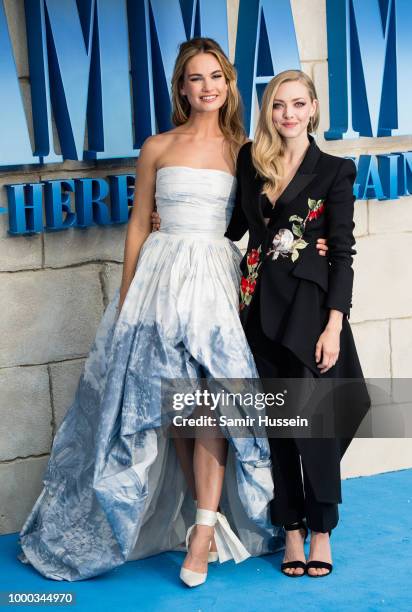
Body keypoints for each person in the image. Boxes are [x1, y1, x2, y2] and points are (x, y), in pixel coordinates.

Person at [17, 37, 286, 586]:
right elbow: (140, 221)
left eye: (216, 76)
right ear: (182, 88)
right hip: (158, 283)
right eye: (195, 78)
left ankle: (205, 532)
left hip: (214, 278)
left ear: (228, 85)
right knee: (175, 408)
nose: (206, 86)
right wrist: (126, 292)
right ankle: (197, 521)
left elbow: (259, 220)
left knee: (217, 404)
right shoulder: (157, 146)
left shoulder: (244, 149)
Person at [225, 70, 370, 578]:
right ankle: (290, 528)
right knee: (280, 428)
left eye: (297, 104)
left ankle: (322, 529)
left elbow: (344, 253)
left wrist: (334, 325)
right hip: (257, 309)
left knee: (316, 426)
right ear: (269, 111)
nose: (287, 114)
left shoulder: (334, 170)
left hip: (310, 314)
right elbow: (236, 229)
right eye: (278, 105)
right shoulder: (251, 162)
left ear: (313, 109)